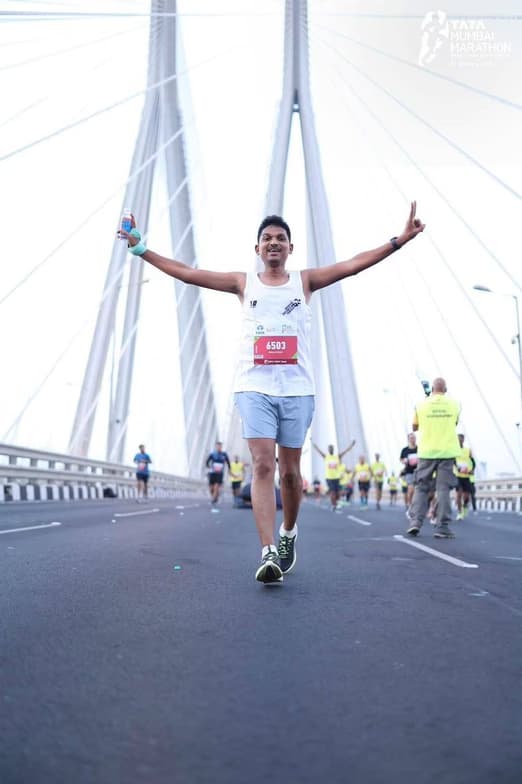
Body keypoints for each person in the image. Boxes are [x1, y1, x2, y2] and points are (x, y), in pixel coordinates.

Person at [122, 202, 425, 583]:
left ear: (290, 248)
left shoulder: (306, 281)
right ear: (257, 249)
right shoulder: (242, 283)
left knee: (291, 476)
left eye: (281, 238)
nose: (273, 243)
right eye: (267, 239)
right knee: (263, 465)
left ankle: (288, 533)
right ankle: (267, 552)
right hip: (254, 387)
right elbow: (188, 274)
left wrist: (399, 240)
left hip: (297, 391)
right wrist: (139, 248)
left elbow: (354, 264)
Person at [406, 377, 460, 539]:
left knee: (421, 488)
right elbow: (455, 422)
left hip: (427, 452)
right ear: (445, 389)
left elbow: (415, 427)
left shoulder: (421, 404)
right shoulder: (455, 404)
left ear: (433, 388)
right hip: (447, 452)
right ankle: (442, 527)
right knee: (443, 489)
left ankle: (415, 522)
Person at [312, 440, 356, 511]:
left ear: (333, 449)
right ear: (328, 450)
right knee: (332, 492)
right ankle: (333, 505)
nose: (331, 449)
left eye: (332, 448)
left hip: (337, 478)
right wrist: (314, 444)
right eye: (330, 448)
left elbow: (346, 451)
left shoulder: (337, 457)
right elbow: (319, 451)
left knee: (338, 493)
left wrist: (351, 445)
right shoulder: (326, 457)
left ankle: (336, 503)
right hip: (329, 478)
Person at [205, 441, 231, 511]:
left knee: (216, 486)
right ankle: (214, 496)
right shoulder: (212, 454)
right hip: (212, 472)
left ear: (221, 447)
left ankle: (214, 499)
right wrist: (208, 467)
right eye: (217, 446)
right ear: (216, 447)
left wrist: (229, 469)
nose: (219, 447)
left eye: (220, 446)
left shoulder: (224, 454)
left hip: (220, 473)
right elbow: (207, 461)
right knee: (211, 488)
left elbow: (228, 463)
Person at [454, 433, 474, 520]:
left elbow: (473, 462)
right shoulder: (453, 450)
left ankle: (465, 505)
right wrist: (457, 468)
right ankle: (459, 512)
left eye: (461, 439)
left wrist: (472, 470)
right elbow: (452, 461)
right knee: (459, 495)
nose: (460, 441)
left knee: (466, 496)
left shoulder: (468, 450)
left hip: (466, 475)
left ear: (463, 440)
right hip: (457, 475)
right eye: (458, 439)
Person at [400, 432, 418, 515]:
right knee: (411, 490)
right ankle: (410, 506)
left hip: (419, 472)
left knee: (418, 491)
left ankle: (416, 507)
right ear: (408, 439)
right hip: (409, 472)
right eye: (411, 438)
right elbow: (401, 459)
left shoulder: (419, 448)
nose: (412, 439)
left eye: (414, 437)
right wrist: (404, 461)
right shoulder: (405, 450)